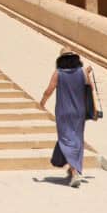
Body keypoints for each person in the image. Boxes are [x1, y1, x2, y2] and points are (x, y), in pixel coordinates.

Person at [40, 47, 94, 187]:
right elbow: (90, 88)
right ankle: (72, 168)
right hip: (79, 112)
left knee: (66, 139)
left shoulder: (58, 73)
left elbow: (49, 90)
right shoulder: (82, 72)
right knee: (77, 139)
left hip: (63, 112)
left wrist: (42, 103)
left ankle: (75, 172)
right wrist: (86, 73)